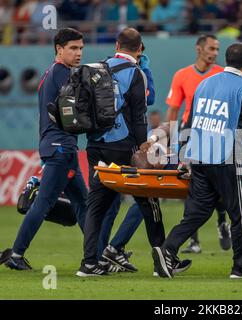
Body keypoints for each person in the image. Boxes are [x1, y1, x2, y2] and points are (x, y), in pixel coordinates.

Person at [152, 42, 242, 279]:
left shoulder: (204, 83)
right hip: (227, 157)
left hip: (199, 157)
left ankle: (167, 251)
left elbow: (191, 121)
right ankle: (241, 266)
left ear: (227, 60)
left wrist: (182, 154)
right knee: (240, 215)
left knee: (197, 212)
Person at [76, 28, 189, 277]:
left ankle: (89, 263)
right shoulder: (136, 73)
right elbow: (141, 112)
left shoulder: (99, 67)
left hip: (95, 144)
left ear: (117, 44)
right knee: (148, 200)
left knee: (96, 205)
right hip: (123, 146)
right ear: (140, 49)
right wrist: (142, 144)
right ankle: (164, 258)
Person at [0, 28, 87, 270]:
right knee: (44, 203)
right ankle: (16, 254)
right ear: (59, 49)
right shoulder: (62, 73)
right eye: (73, 48)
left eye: (80, 48)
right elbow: (74, 114)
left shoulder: (51, 73)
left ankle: (96, 254)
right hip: (61, 147)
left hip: (58, 147)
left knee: (83, 204)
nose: (78, 53)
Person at [166, 34, 231, 254]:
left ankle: (222, 220)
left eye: (217, 49)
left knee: (218, 182)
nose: (214, 53)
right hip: (189, 132)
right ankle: (194, 241)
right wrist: (174, 139)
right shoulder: (182, 75)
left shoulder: (222, 74)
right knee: (190, 185)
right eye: (211, 48)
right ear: (199, 49)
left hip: (216, 134)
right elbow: (174, 109)